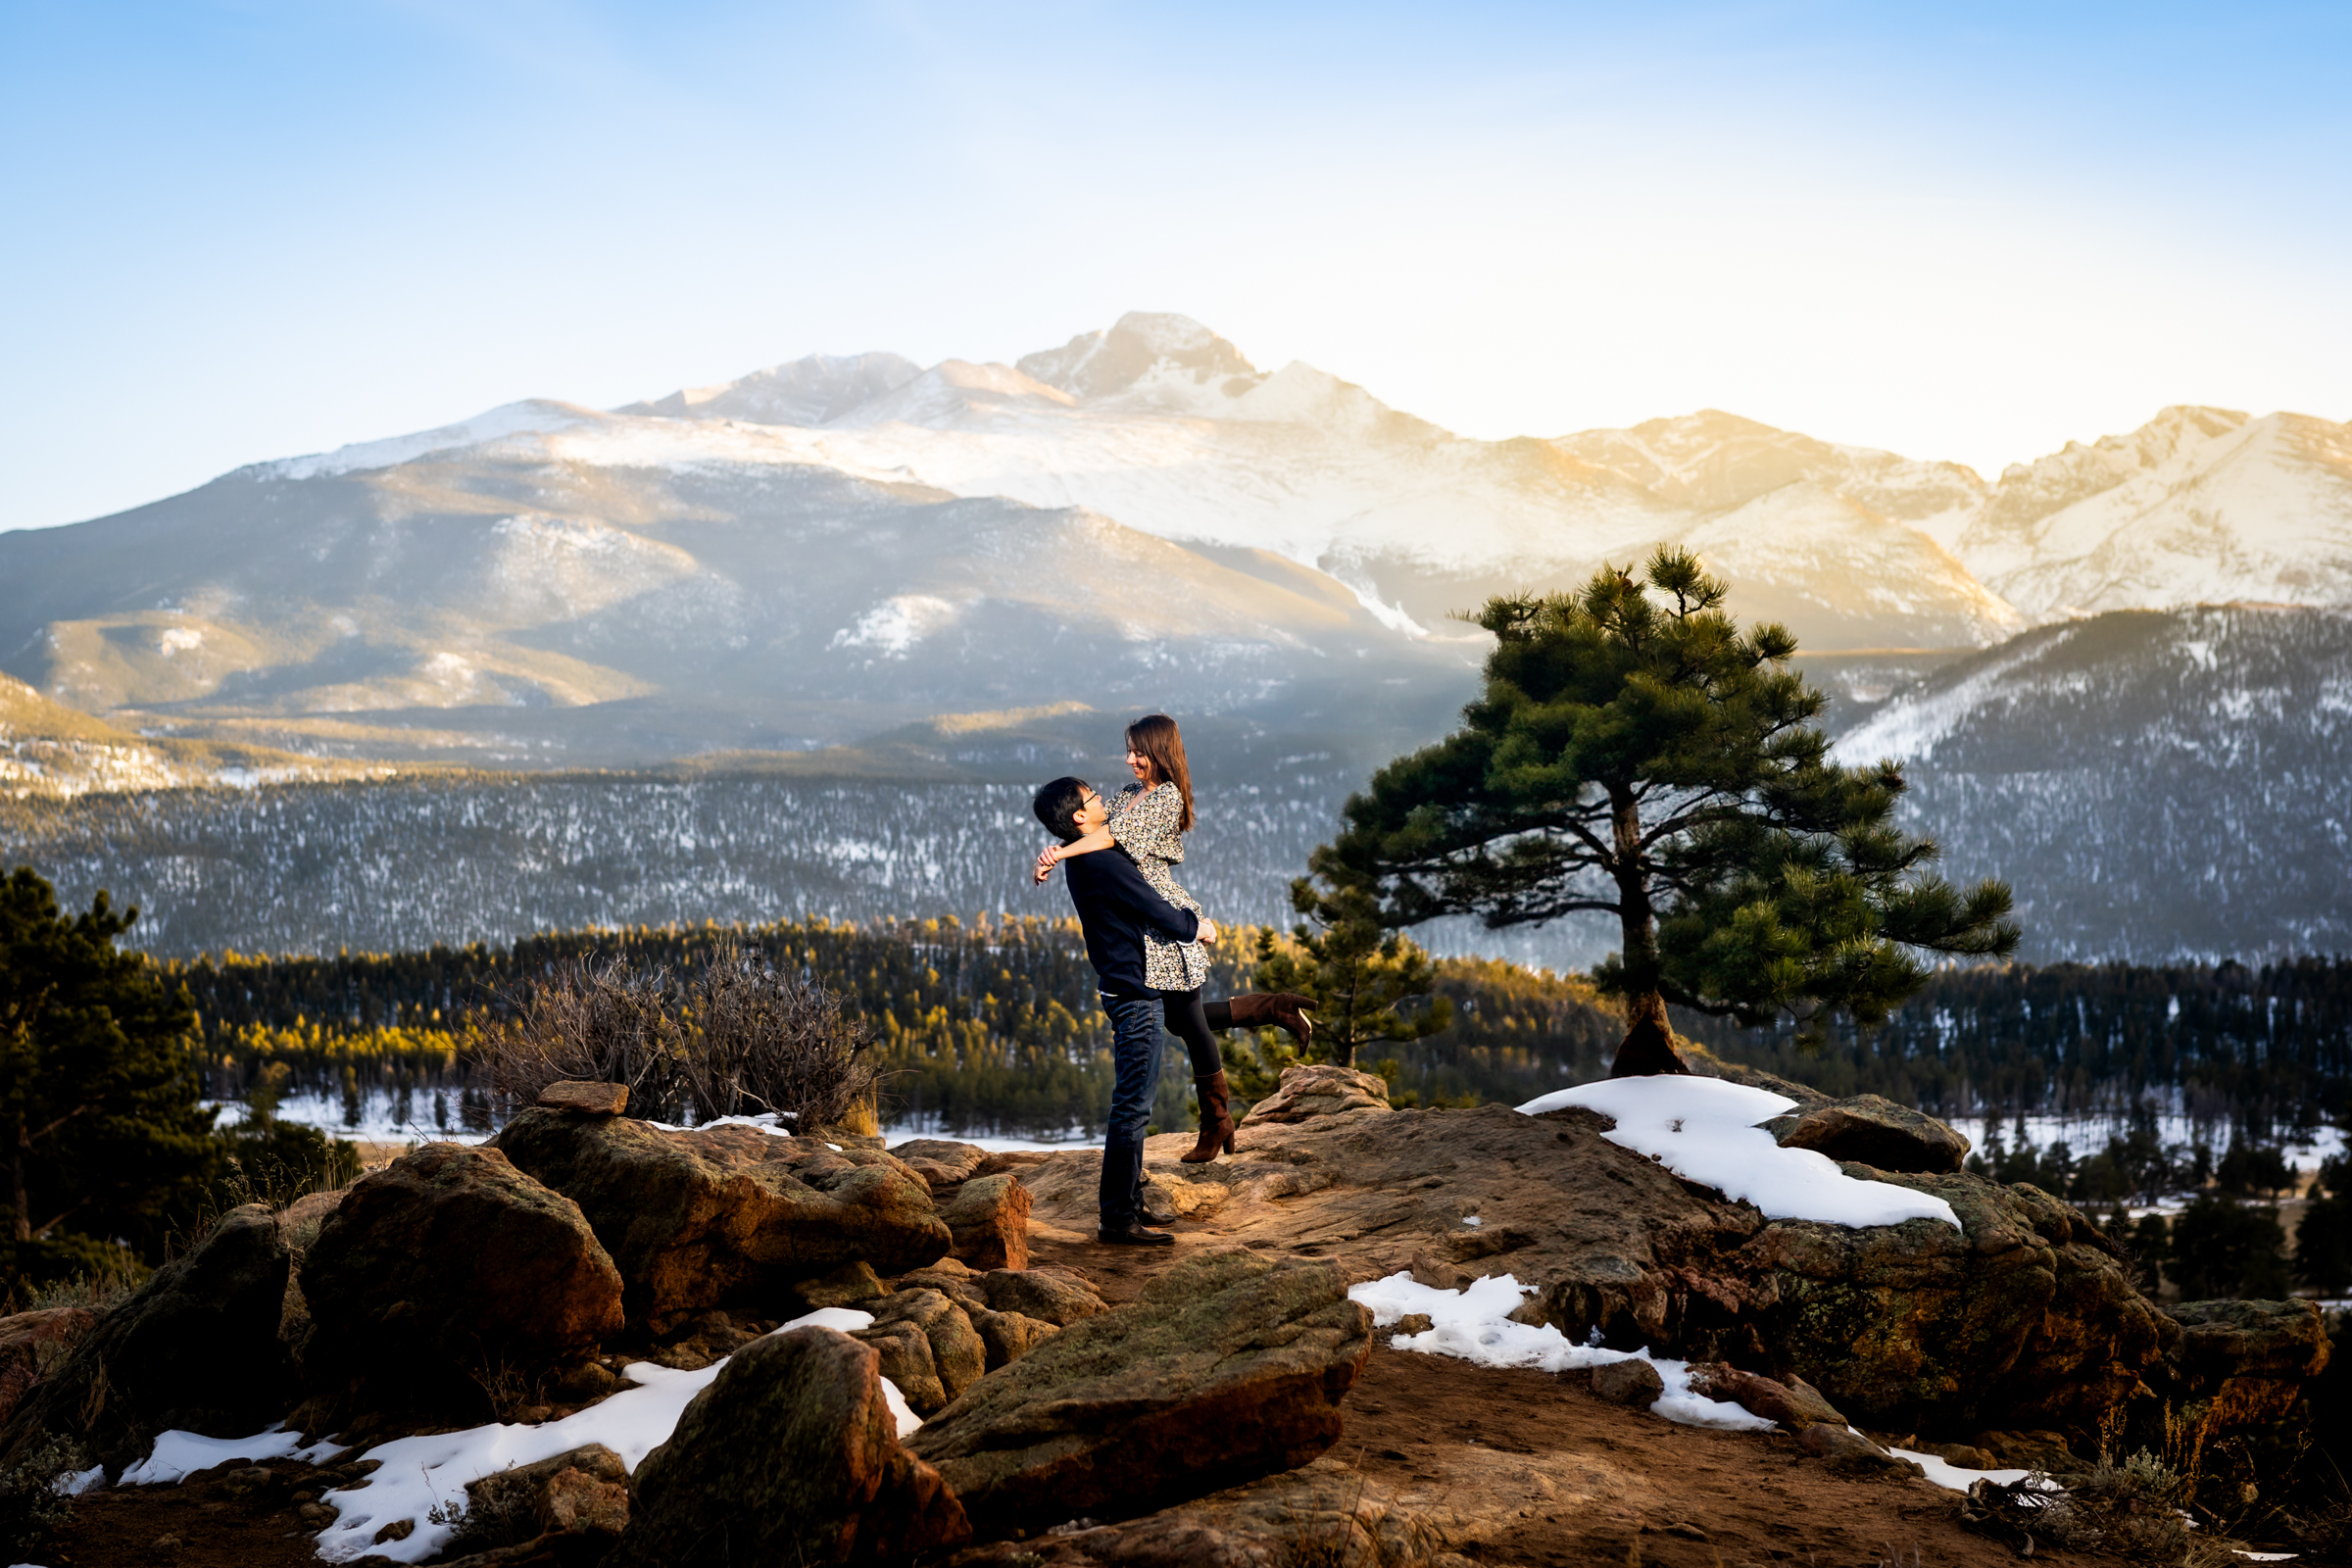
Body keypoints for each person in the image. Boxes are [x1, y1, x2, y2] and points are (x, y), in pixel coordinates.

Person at [1035, 713, 1310, 1162]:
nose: (1129, 760)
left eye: (1138, 752)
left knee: (1190, 1024)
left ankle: (1217, 1121)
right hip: (1143, 923)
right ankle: (1274, 1007)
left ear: (1160, 752)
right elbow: (1099, 832)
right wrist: (1058, 849)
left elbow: (1114, 834)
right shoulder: (1127, 795)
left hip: (1163, 920)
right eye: (1128, 751)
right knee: (1183, 1020)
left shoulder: (1166, 798)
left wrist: (1058, 852)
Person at [1031, 773, 1215, 1245]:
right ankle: (1117, 1218)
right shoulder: (1104, 865)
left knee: (1134, 1105)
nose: (1103, 799)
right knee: (1132, 1108)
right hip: (1136, 996)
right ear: (1079, 817)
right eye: (1093, 798)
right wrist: (1200, 928)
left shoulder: (1089, 856)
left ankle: (1129, 1204)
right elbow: (1159, 912)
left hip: (1124, 989)